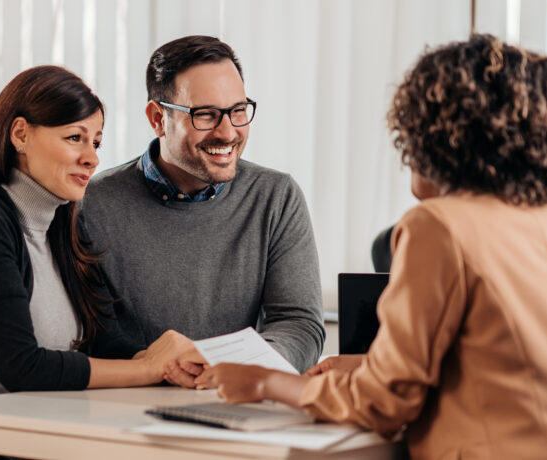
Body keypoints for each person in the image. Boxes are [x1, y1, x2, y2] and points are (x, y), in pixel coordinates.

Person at [196, 34, 547, 459]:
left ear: (432, 132)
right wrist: (369, 362)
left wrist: (265, 382)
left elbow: (384, 402)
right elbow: (500, 364)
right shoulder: (533, 219)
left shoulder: (439, 226)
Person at [0, 36, 325, 384]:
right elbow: (23, 357)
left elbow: (299, 323)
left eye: (238, 110)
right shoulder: (79, 205)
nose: (227, 131)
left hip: (195, 399)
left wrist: (220, 369)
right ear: (157, 119)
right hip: (60, 421)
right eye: (205, 114)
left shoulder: (276, 197)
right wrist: (157, 369)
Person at [0, 65, 195, 407]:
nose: (92, 158)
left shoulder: (64, 226)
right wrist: (149, 369)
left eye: (96, 142)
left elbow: (105, 344)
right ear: (20, 135)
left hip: (56, 425)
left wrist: (167, 364)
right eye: (74, 138)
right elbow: (21, 367)